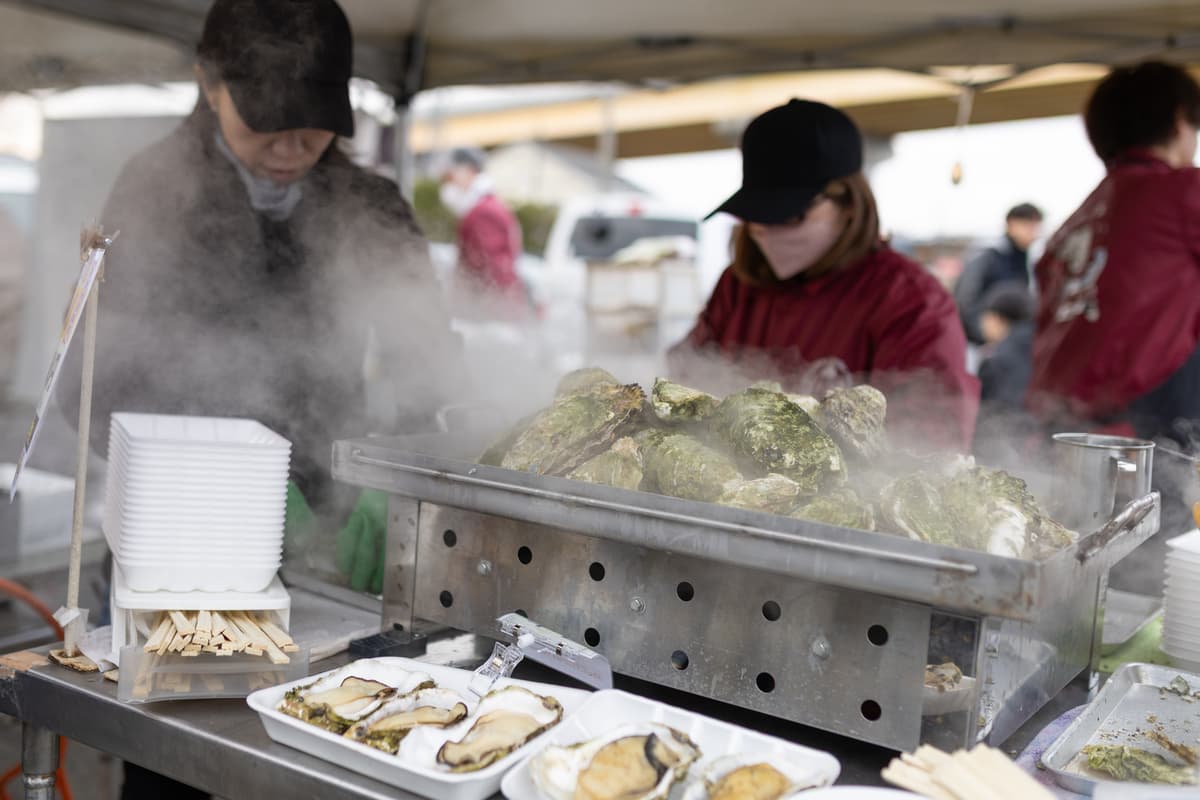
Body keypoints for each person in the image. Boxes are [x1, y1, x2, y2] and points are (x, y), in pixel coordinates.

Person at [60, 4, 467, 793]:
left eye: (313, 125)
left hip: (331, 544)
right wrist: (222, 486)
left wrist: (401, 474)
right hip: (180, 554)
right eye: (267, 122)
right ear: (209, 85)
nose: (291, 148)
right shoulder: (151, 194)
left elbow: (431, 369)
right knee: (176, 764)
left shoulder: (371, 206)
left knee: (319, 757)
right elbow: (95, 382)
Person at [669, 99, 978, 452]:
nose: (764, 230)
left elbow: (931, 439)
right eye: (755, 214)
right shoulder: (739, 285)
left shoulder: (911, 301)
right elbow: (686, 379)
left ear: (848, 203)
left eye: (788, 216)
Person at [1028, 60, 1200, 592]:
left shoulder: (1072, 224)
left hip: (1060, 441)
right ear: (1180, 120)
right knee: (1152, 600)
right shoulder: (1183, 192)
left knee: (1075, 591)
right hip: (1148, 448)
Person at [439, 147, 529, 319]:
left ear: (469, 171)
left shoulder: (483, 212)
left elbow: (491, 270)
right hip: (494, 309)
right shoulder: (485, 206)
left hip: (491, 313)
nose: (448, 183)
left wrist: (472, 310)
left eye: (451, 175)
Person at [954, 202, 1043, 345]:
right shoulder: (988, 256)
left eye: (1036, 228)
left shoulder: (1025, 259)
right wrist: (983, 335)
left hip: (1010, 344)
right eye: (1028, 226)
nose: (1033, 234)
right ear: (1011, 224)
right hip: (980, 344)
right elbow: (965, 299)